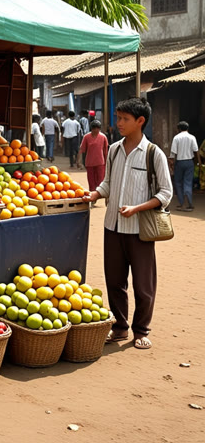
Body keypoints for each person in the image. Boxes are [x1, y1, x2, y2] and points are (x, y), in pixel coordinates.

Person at [83, 97, 172, 350]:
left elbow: (166, 193)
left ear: (140, 121)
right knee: (114, 282)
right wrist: (96, 194)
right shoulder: (113, 149)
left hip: (140, 231)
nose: (119, 123)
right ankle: (120, 327)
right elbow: (108, 182)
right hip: (112, 227)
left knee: (143, 286)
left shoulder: (154, 154)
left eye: (124, 119)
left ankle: (141, 330)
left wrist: (137, 208)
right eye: (118, 118)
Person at [168, 121, 200, 212]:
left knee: (178, 182)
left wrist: (171, 163)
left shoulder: (176, 138)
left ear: (179, 129)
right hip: (189, 162)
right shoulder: (192, 137)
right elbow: (196, 151)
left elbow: (173, 153)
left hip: (180, 163)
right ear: (187, 128)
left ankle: (181, 203)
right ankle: (189, 204)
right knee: (188, 182)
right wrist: (198, 163)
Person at [77, 120, 108, 200]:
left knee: (100, 180)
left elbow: (105, 150)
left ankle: (100, 195)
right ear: (91, 129)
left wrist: (107, 161)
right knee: (91, 181)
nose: (96, 131)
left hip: (100, 162)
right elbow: (82, 149)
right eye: (94, 129)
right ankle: (92, 196)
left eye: (98, 129)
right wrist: (78, 161)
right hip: (89, 162)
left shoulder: (103, 137)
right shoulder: (86, 137)